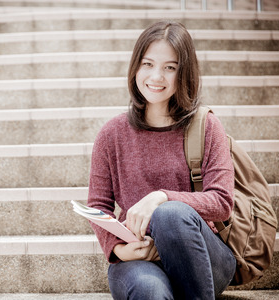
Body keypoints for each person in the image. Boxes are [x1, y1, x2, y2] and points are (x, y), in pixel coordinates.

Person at [87, 21, 237, 299]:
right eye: (148, 64)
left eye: (170, 67)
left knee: (169, 213)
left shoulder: (206, 126)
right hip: (140, 258)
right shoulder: (111, 134)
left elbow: (223, 202)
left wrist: (161, 197)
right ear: (135, 67)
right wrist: (118, 248)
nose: (156, 76)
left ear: (185, 73)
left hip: (203, 257)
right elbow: (98, 206)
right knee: (150, 290)